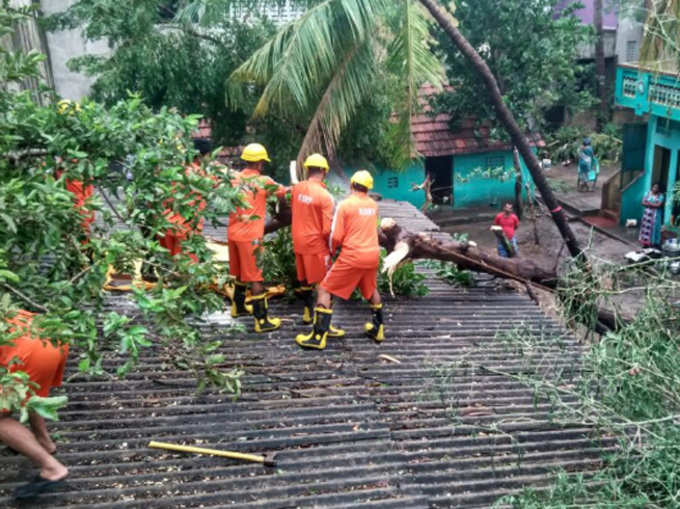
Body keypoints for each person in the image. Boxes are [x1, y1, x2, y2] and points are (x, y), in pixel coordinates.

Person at [296, 170, 384, 350]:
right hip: (372, 255)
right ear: (368, 188)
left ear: (352, 185)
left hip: (353, 256)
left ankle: (318, 336)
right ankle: (378, 328)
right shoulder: (373, 205)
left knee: (325, 288)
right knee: (371, 289)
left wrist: (332, 249)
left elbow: (335, 235)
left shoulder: (345, 205)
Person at [0, 310, 69, 500]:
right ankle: (44, 441)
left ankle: (52, 468)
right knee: (30, 395)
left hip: (26, 350)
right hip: (52, 337)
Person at [228, 143, 288, 331]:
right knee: (255, 277)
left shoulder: (233, 179)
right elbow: (284, 193)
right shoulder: (264, 181)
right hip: (250, 236)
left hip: (233, 234)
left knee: (239, 273)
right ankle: (262, 320)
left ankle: (237, 307)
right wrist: (281, 207)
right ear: (261, 163)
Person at [291, 154, 344, 337]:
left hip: (298, 243)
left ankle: (307, 313)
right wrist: (334, 248)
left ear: (307, 169)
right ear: (324, 171)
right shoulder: (325, 196)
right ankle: (323, 328)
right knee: (325, 286)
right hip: (316, 247)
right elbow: (326, 230)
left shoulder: (297, 188)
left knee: (305, 279)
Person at [158, 138, 214, 263]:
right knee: (186, 269)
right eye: (209, 156)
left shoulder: (174, 170)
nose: (210, 160)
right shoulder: (201, 175)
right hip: (187, 229)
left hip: (167, 225)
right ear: (200, 156)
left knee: (172, 267)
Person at [639, 183, 665, 248]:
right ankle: (645, 243)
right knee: (645, 228)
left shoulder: (661, 196)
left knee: (654, 228)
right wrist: (653, 204)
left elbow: (658, 205)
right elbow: (642, 202)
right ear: (652, 187)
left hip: (656, 215)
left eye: (657, 188)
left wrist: (649, 203)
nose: (655, 189)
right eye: (654, 187)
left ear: (659, 189)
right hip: (647, 215)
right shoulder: (647, 193)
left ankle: (654, 243)